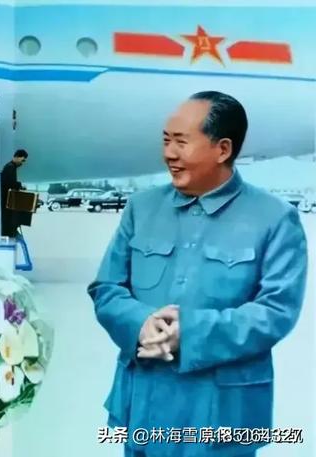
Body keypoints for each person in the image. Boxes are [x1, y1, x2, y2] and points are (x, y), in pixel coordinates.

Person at [87, 91, 307, 457]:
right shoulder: (142, 208)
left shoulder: (275, 219)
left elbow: (276, 311)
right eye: (166, 141)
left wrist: (187, 333)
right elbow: (107, 287)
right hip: (143, 407)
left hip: (222, 416)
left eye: (181, 142)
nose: (169, 154)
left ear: (222, 149)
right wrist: (141, 324)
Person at [0, 149, 28, 237]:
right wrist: (20, 185)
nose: (22, 163)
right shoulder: (10, 167)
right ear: (16, 157)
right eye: (22, 160)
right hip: (5, 199)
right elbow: (10, 183)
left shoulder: (10, 167)